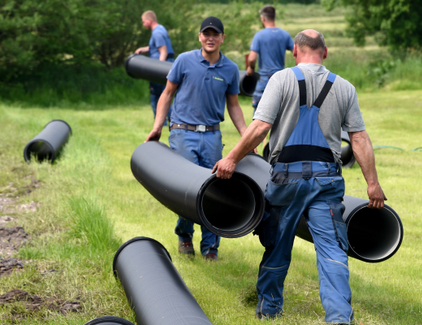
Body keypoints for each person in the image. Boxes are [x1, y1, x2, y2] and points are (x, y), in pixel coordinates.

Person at [213, 29, 387, 323]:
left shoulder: (281, 79)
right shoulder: (345, 87)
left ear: (295, 50)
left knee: (278, 244)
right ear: (326, 51)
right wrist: (373, 184)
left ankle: (269, 310)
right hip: (327, 180)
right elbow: (359, 139)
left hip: (286, 180)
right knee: (332, 250)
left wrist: (231, 158)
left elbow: (259, 127)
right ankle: (339, 318)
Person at [145, 16, 250, 262]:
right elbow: (167, 94)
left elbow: (233, 106)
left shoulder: (230, 69)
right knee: (187, 189)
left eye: (216, 34)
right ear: (200, 36)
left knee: (215, 189)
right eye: (206, 34)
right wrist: (157, 126)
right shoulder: (183, 61)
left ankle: (210, 247)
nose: (211, 38)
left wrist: (247, 137)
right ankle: (184, 235)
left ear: (223, 38)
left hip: (212, 135)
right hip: (183, 132)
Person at [247, 5, 294, 111]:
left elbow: (252, 58)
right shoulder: (284, 35)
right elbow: (297, 52)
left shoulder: (259, 35)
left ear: (263, 18)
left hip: (264, 79)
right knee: (280, 112)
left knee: (259, 113)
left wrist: (251, 68)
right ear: (274, 17)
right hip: (281, 80)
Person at [134, 10, 175, 125]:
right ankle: (168, 122)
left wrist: (156, 70)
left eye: (143, 22)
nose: (143, 24)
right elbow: (157, 46)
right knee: (165, 95)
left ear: (149, 21)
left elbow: (163, 52)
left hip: (161, 68)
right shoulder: (161, 29)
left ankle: (163, 123)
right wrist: (145, 49)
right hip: (167, 66)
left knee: (158, 96)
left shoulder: (157, 33)